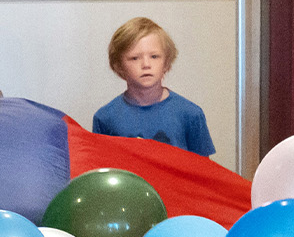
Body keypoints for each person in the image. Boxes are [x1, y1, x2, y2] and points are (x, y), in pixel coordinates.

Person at [91, 17, 215, 155]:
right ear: (119, 66)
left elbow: (203, 172)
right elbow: (103, 169)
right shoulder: (105, 118)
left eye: (154, 56)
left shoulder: (191, 115)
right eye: (134, 58)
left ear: (166, 62)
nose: (146, 65)